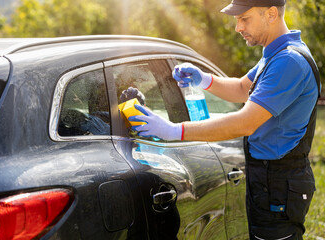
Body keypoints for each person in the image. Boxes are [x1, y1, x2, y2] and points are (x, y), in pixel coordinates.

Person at [128, 0, 321, 239]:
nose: (238, 27)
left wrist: (174, 131)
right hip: (268, 179)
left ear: (271, 14)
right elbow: (242, 88)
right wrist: (204, 79)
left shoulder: (288, 61)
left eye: (244, 18)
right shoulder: (277, 54)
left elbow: (244, 123)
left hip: (279, 182)